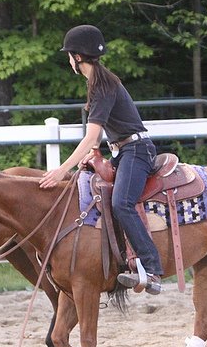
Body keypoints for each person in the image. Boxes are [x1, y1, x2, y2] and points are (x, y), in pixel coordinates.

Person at [38, 25, 163, 295]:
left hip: (136, 151)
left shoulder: (102, 86)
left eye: (69, 55)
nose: (69, 60)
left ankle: (152, 268)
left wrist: (62, 170)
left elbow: (90, 137)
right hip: (124, 150)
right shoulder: (99, 82)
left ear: (77, 57)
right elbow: (96, 139)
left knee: (121, 203)